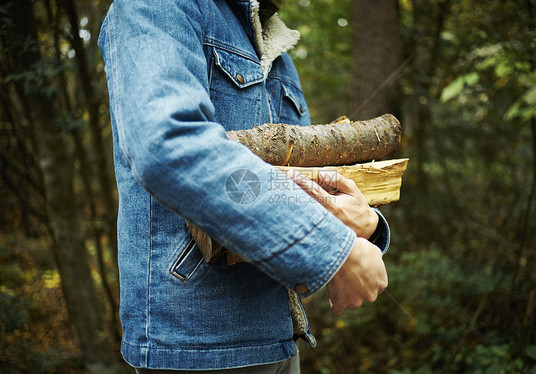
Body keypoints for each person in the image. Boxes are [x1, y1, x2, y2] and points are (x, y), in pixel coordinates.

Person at [98, 0, 391, 372]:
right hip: (197, 346)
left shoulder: (275, 49)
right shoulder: (158, 6)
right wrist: (333, 249)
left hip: (281, 337)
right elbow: (171, 146)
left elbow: (294, 185)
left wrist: (365, 226)